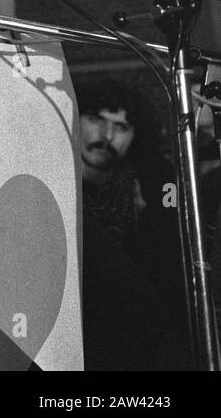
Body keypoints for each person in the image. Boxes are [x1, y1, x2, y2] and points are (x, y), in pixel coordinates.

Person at [72, 77, 188, 369]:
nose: (106, 134)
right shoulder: (51, 178)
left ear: (136, 135)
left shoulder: (151, 181)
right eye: (96, 119)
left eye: (121, 126)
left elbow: (168, 273)